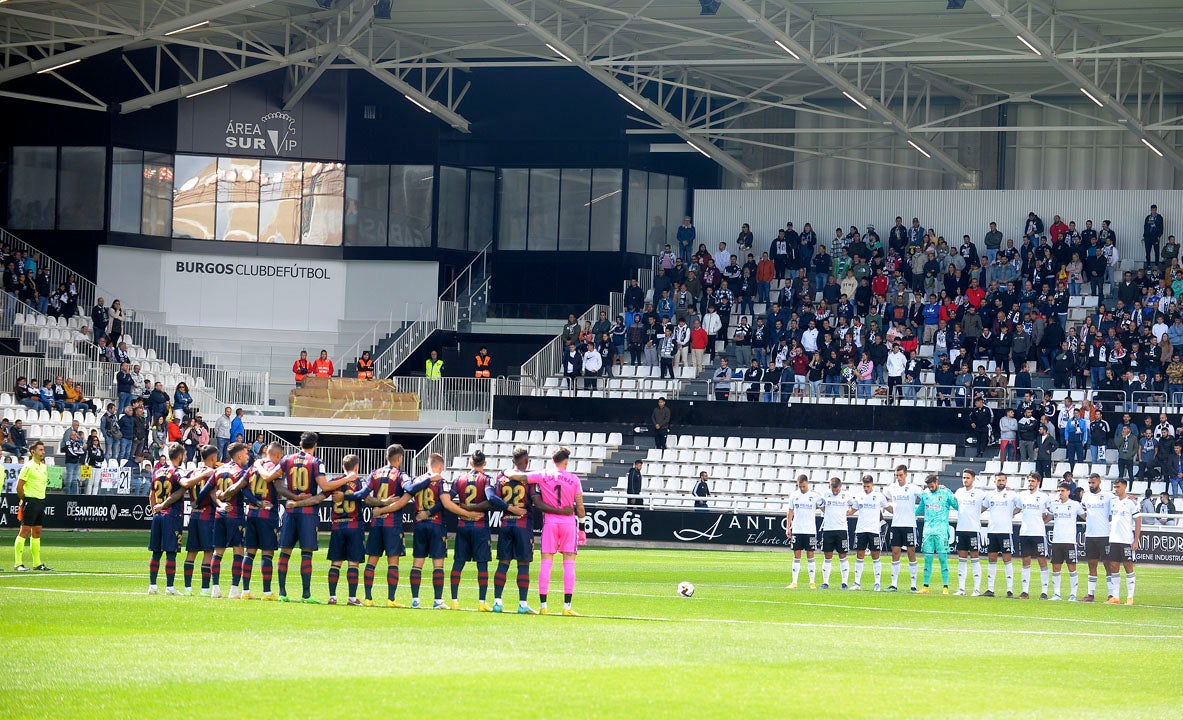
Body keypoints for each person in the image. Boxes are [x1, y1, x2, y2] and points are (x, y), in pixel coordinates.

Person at [507, 447, 585, 615]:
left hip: (550, 522)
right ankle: (567, 607)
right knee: (569, 563)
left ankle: (543, 606)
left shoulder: (543, 474)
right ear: (566, 462)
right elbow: (580, 507)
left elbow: (519, 476)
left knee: (546, 563)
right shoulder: (574, 479)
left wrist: (507, 471)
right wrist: (583, 529)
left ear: (552, 461)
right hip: (569, 524)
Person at [277, 432, 349, 603]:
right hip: (308, 512)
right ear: (315, 445)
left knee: (285, 552)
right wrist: (348, 478)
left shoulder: (286, 459)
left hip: (290, 510)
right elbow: (324, 485)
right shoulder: (316, 462)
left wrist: (294, 498)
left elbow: (277, 484)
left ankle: (282, 593)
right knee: (306, 553)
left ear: (299, 444)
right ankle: (306, 595)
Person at [287, 456, 366, 605]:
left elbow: (317, 499)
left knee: (335, 563)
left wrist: (296, 504)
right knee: (353, 564)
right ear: (356, 468)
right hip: (354, 526)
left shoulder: (333, 483)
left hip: (337, 527)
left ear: (343, 467)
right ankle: (352, 598)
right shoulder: (360, 481)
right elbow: (366, 497)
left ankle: (332, 597)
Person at [351, 444, 414, 607]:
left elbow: (364, 496)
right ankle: (391, 600)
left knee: (372, 560)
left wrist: (379, 507)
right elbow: (409, 489)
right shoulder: (401, 474)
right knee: (393, 561)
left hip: (376, 523)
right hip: (392, 524)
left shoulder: (375, 473)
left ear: (387, 457)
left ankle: (368, 598)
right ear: (399, 458)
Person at [441, 450, 498, 610]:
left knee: (458, 563)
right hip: (480, 526)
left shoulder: (459, 479)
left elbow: (447, 499)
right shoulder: (487, 479)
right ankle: (481, 603)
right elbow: (490, 501)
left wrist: (465, 508)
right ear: (484, 463)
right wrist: (474, 509)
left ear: (470, 463)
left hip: (463, 526)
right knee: (482, 564)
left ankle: (454, 601)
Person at [402, 453, 455, 609]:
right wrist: (430, 512)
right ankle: (438, 601)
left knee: (417, 563)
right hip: (436, 524)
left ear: (427, 465)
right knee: (438, 564)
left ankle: (415, 600)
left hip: (419, 524)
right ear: (441, 466)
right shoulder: (441, 481)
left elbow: (408, 494)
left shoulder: (417, 480)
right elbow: (445, 503)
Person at [491, 447, 539, 614]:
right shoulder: (530, 479)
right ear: (526, 461)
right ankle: (523, 604)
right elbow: (535, 499)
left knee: (503, 563)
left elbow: (494, 498)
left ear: (513, 460)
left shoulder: (501, 477)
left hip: (505, 523)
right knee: (523, 564)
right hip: (523, 525)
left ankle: (497, 603)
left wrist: (508, 507)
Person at [146, 443, 194, 594]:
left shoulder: (158, 471)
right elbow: (181, 488)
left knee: (156, 552)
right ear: (180, 456)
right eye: (184, 456)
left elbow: (151, 494)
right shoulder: (177, 471)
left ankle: (152, 586)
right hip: (172, 515)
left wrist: (156, 510)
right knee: (171, 552)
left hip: (158, 515)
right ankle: (170, 587)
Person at [208, 442, 250, 599]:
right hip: (235, 515)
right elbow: (247, 492)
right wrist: (259, 503)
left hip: (220, 515)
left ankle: (216, 589)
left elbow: (209, 490)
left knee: (217, 552)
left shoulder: (218, 470)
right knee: (238, 551)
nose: (247, 456)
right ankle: (234, 589)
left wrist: (219, 503)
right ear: (239, 455)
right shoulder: (240, 472)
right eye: (246, 454)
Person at [181, 445, 220, 596]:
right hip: (207, 515)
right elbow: (212, 494)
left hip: (194, 516)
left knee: (191, 552)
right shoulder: (212, 473)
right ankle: (205, 589)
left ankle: (187, 588)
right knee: (208, 551)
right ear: (212, 458)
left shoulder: (193, 472)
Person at [13, 440, 51, 572]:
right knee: (24, 531)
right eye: (40, 450)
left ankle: (37, 563)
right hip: (30, 501)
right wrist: (25, 499)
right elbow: (19, 487)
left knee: (37, 532)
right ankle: (18, 563)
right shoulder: (28, 467)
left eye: (43, 449)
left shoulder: (43, 466)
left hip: (41, 502)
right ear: (33, 451)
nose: (43, 452)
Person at [916, 473, 958, 594]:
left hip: (941, 532)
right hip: (928, 532)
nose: (930, 488)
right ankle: (925, 587)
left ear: (937, 482)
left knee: (942, 559)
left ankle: (945, 587)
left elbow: (957, 506)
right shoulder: (925, 494)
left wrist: (950, 492)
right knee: (927, 559)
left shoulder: (945, 493)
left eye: (932, 485)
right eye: (928, 486)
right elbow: (919, 509)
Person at [884, 465, 920, 592]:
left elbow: (926, 496)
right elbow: (883, 499)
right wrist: (889, 509)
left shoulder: (912, 488)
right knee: (895, 553)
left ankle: (913, 584)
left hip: (910, 524)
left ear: (906, 475)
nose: (898, 478)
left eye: (900, 475)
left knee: (911, 553)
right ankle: (894, 584)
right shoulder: (891, 488)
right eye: (896, 475)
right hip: (896, 525)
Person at [1080, 472, 1115, 603]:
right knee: (1091, 564)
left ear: (1099, 482)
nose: (1091, 485)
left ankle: (1111, 594)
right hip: (1090, 535)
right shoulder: (1086, 497)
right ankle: (1090, 594)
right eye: (1089, 483)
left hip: (1104, 535)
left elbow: (1112, 514)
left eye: (1093, 483)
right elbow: (1084, 513)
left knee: (1108, 565)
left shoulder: (1108, 496)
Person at [983, 473, 1020, 598]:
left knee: (1007, 559)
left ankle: (1009, 590)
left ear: (1006, 481)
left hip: (1005, 531)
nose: (1001, 482)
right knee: (992, 559)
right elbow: (983, 507)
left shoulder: (1012, 494)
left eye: (1003, 480)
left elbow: (1020, 506)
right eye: (999, 480)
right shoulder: (990, 495)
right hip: (992, 531)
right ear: (995, 481)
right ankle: (990, 589)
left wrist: (1011, 513)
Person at [1047, 481, 1085, 601]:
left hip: (1069, 541)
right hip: (1057, 541)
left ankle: (1073, 594)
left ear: (1068, 492)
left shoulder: (1075, 505)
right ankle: (1056, 594)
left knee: (1072, 567)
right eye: (1059, 491)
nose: (1060, 493)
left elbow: (1085, 516)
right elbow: (1047, 518)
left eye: (1063, 491)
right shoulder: (1054, 505)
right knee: (1056, 568)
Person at [1105, 478, 1140, 605]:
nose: (1116, 489)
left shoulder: (1132, 502)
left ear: (1124, 487)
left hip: (1126, 540)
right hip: (1114, 539)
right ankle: (1115, 596)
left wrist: (1136, 540)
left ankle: (1130, 597)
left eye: (1118, 487)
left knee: (1128, 566)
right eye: (1115, 487)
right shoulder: (1113, 502)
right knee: (1113, 566)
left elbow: (1137, 521)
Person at [1016, 472, 1051, 599]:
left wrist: (1042, 522)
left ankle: (1044, 592)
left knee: (1042, 560)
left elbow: (1050, 513)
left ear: (1038, 482)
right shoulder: (1022, 495)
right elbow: (1017, 509)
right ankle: (1025, 591)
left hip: (1038, 533)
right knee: (1025, 561)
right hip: (1025, 532)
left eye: (1033, 481)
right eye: (1029, 481)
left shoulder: (1044, 497)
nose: (1030, 483)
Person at [850, 475, 886, 591]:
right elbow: (852, 510)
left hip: (874, 530)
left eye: (868, 486)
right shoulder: (859, 496)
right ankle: (857, 583)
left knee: (875, 556)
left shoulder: (879, 496)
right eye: (864, 486)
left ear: (872, 485)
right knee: (860, 555)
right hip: (861, 530)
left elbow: (888, 507)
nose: (866, 489)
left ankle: (877, 583)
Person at [954, 468, 987, 596]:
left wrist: (978, 511)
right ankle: (961, 589)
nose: (965, 480)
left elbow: (989, 502)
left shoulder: (979, 493)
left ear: (973, 479)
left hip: (973, 529)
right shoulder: (959, 492)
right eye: (963, 478)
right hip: (961, 529)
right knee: (961, 558)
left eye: (967, 478)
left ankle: (976, 589)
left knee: (975, 557)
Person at [785, 475, 821, 589]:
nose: (802, 488)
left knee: (810, 555)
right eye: (800, 486)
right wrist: (788, 527)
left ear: (807, 483)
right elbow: (790, 512)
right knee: (796, 555)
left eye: (804, 486)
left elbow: (823, 508)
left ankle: (812, 582)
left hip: (810, 530)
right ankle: (794, 582)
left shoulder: (814, 496)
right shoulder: (794, 495)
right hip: (797, 529)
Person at [818, 477, 852, 590]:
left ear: (840, 486)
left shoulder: (846, 495)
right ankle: (825, 582)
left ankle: (844, 582)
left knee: (843, 555)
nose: (835, 492)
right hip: (828, 529)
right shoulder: (825, 494)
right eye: (833, 490)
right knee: (827, 556)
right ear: (830, 487)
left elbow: (855, 505)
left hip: (842, 529)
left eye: (837, 490)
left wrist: (848, 513)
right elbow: (821, 507)